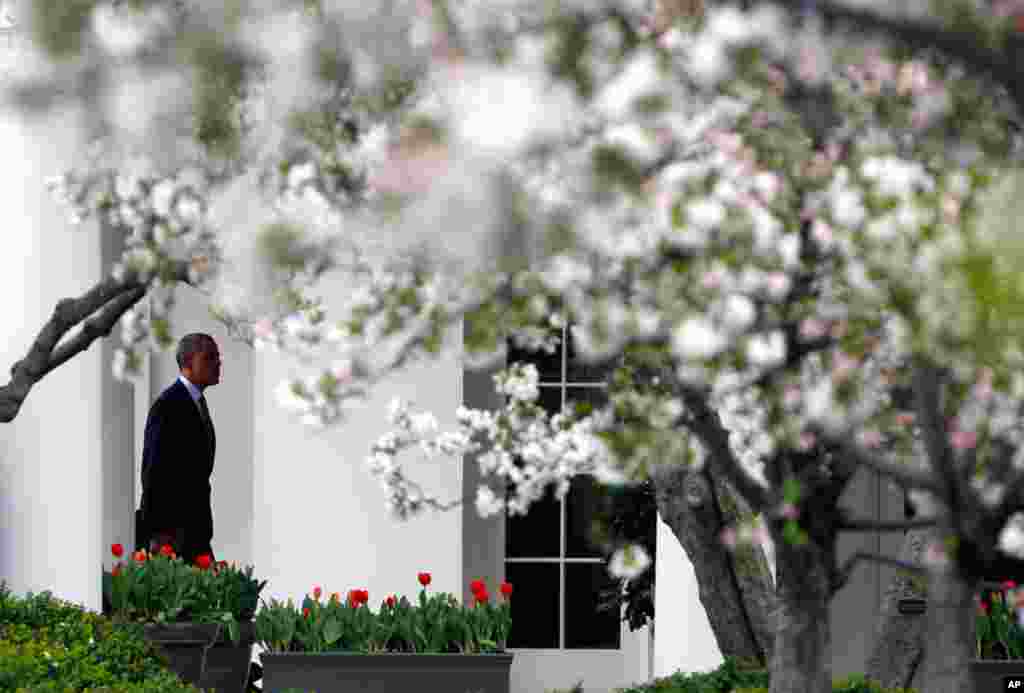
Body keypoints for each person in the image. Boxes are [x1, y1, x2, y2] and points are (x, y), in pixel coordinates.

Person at [135, 333, 221, 567]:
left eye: (218, 357)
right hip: (173, 536)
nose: (218, 363)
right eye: (210, 357)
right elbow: (152, 471)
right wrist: (159, 534)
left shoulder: (197, 403)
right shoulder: (168, 405)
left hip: (195, 531)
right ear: (188, 362)